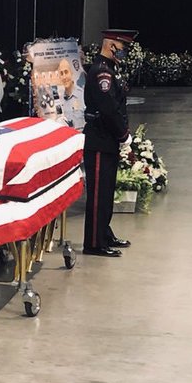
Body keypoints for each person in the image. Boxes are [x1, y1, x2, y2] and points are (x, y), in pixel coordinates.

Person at [81, 29, 138, 257]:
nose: (124, 52)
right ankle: (94, 243)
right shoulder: (102, 73)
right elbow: (109, 110)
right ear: (111, 45)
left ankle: (104, 234)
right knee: (98, 195)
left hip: (107, 140)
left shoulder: (110, 70)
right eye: (122, 47)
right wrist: (123, 135)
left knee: (106, 192)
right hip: (99, 140)